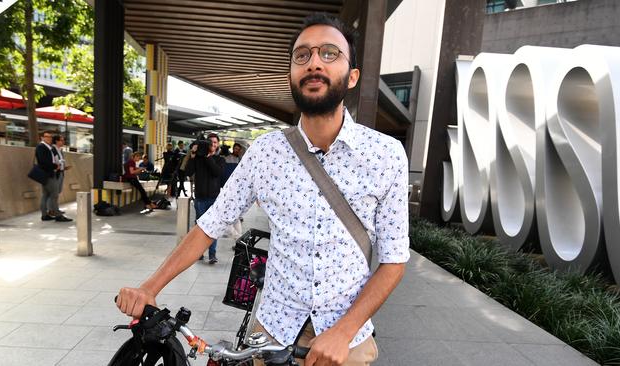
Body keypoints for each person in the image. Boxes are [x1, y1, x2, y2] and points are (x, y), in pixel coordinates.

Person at [116, 13, 408, 366]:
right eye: (302, 55)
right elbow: (210, 225)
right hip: (272, 331)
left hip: (348, 338)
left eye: (329, 53)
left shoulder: (386, 154)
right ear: (291, 75)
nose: (314, 62)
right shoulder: (265, 152)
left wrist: (344, 331)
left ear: (352, 77)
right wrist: (150, 287)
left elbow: (393, 261)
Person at [184, 133, 226, 264]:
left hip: (214, 199)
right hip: (200, 198)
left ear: (217, 145)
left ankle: (212, 254)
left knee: (213, 227)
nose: (212, 145)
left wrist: (208, 158)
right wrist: (192, 156)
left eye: (214, 142)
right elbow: (187, 172)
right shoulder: (198, 159)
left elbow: (217, 172)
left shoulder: (220, 159)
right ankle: (199, 253)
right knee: (200, 228)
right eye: (210, 142)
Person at [36, 131, 72, 222]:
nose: (49, 138)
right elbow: (43, 162)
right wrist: (55, 166)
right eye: (47, 136)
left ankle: (45, 215)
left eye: (50, 137)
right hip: (48, 174)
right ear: (42, 138)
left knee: (46, 195)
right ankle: (58, 216)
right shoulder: (41, 147)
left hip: (49, 173)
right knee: (54, 195)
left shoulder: (47, 147)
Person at [52, 134, 72, 215]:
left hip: (61, 172)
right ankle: (53, 210)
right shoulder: (53, 149)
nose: (63, 141)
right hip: (55, 173)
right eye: (61, 140)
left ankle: (55, 209)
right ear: (56, 141)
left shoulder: (60, 150)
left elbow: (60, 161)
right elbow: (54, 162)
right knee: (54, 193)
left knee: (58, 192)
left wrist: (64, 168)